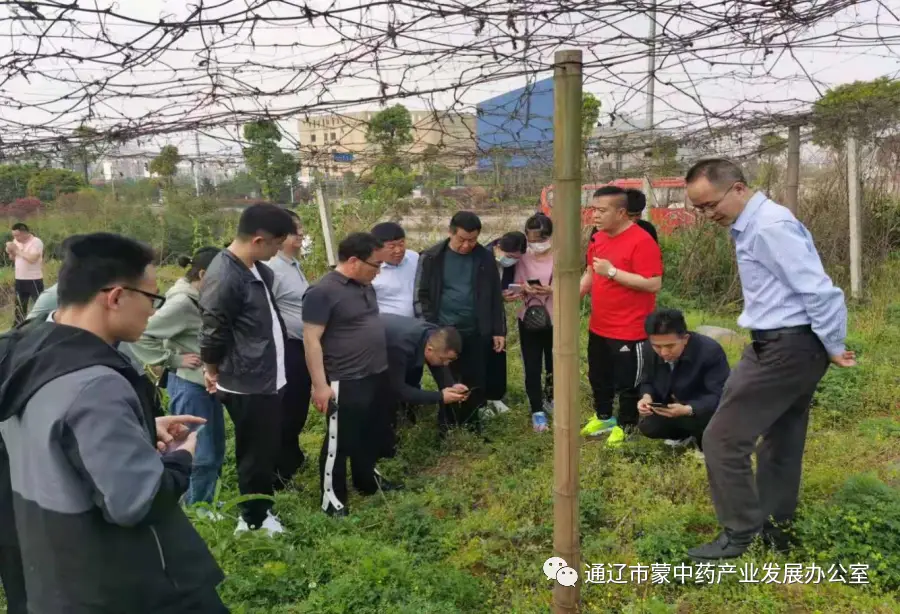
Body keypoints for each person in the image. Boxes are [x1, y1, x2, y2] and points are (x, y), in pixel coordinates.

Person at [0, 232, 226, 613]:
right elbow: (136, 502)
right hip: (117, 580)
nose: (153, 312)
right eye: (152, 298)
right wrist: (181, 457)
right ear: (116, 296)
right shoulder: (95, 385)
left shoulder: (21, 349)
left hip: (47, 566)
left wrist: (133, 429)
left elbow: (49, 437)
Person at [682, 159, 854, 561]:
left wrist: (832, 345)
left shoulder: (769, 227)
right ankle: (777, 530)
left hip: (786, 348)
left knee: (722, 439)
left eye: (710, 205)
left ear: (738, 189)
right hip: (787, 345)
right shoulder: (754, 224)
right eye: (700, 209)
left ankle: (738, 534)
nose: (708, 216)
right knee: (781, 439)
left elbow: (820, 292)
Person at [198, 203, 294, 536]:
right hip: (249, 382)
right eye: (275, 244)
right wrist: (212, 369)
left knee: (265, 447)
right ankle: (253, 520)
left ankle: (261, 507)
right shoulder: (225, 275)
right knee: (254, 453)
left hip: (267, 377)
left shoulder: (253, 268)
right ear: (258, 240)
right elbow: (213, 330)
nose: (277, 251)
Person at [303, 232, 397, 518]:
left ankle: (367, 480)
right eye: (375, 265)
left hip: (375, 372)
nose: (378, 272)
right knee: (339, 440)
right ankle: (332, 498)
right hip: (345, 378)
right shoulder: (322, 291)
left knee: (368, 432)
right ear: (354, 261)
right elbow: (311, 340)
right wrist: (320, 385)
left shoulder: (364, 285)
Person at [131, 247, 225, 507]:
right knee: (200, 452)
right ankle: (196, 509)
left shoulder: (200, 296)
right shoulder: (183, 302)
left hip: (207, 383)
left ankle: (205, 501)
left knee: (215, 448)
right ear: (204, 273)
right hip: (190, 384)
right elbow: (141, 333)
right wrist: (171, 360)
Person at [579, 186, 663, 447]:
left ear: (621, 212)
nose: (595, 215)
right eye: (593, 209)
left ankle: (627, 426)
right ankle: (604, 416)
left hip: (630, 328)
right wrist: (576, 294)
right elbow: (591, 273)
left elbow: (653, 283)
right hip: (599, 324)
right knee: (598, 376)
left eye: (601, 210)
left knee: (629, 383)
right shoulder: (598, 238)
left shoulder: (641, 241)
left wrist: (613, 272)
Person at [414, 211, 506, 435]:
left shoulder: (483, 257)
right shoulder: (432, 257)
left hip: (476, 329)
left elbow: (494, 294)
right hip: (444, 332)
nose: (467, 245)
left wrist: (498, 329)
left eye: (473, 240)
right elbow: (421, 295)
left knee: (476, 380)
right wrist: (430, 330)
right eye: (462, 239)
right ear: (450, 232)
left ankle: (473, 427)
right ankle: (448, 428)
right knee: (448, 381)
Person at [636, 308, 730, 451]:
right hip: (672, 405)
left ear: (685, 339)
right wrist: (646, 397)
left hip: (700, 406)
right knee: (649, 426)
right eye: (657, 346)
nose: (664, 352)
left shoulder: (710, 351)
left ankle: (705, 442)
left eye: (670, 346)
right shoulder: (649, 349)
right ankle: (684, 436)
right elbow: (647, 379)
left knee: (712, 415)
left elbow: (720, 395)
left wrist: (688, 409)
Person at [265, 210, 313, 487]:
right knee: (287, 411)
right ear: (280, 236)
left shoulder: (292, 264)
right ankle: (278, 472)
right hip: (286, 350)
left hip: (301, 347)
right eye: (296, 231)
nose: (302, 235)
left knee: (297, 408)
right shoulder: (272, 268)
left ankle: (291, 457)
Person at [370, 222, 423, 422]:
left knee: (414, 372)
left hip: (416, 329)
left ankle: (411, 413)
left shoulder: (414, 258)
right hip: (389, 335)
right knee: (392, 377)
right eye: (391, 246)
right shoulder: (371, 269)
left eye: (401, 243)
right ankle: (391, 419)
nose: (398, 250)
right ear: (376, 248)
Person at [512, 214, 555, 432]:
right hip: (528, 318)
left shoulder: (561, 257)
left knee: (554, 362)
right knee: (532, 364)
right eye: (532, 241)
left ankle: (551, 397)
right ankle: (537, 410)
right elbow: (512, 285)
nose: (537, 245)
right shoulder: (522, 257)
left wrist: (552, 289)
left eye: (541, 239)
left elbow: (576, 286)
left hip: (556, 318)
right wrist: (523, 288)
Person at [381, 313, 468, 414]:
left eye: (450, 360)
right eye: (443, 360)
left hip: (396, 339)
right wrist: (439, 397)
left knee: (414, 373)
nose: (446, 364)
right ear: (429, 350)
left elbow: (438, 366)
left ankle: (407, 412)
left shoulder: (434, 335)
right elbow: (398, 389)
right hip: (369, 347)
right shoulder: (401, 347)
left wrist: (452, 386)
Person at [6, 223, 44, 325]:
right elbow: (13, 258)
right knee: (19, 308)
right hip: (20, 278)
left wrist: (17, 250)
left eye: (17, 235)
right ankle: (18, 328)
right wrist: (11, 251)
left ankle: (43, 326)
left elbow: (33, 259)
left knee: (40, 305)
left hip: (34, 279)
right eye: (14, 235)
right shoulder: (16, 242)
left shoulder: (36, 242)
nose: (15, 238)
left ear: (24, 233)